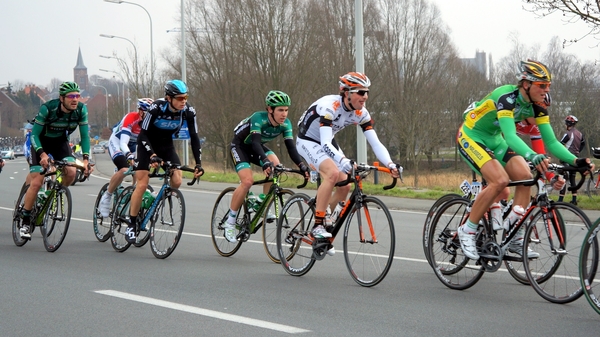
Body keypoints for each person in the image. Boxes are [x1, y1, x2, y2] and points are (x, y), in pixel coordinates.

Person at [456, 60, 593, 260]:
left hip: (494, 140)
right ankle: (467, 231)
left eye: (548, 86)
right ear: (526, 84)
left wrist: (576, 161)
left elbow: (552, 143)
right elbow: (511, 137)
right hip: (471, 136)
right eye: (542, 85)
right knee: (500, 181)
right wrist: (531, 155)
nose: (546, 90)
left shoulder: (537, 107)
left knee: (525, 176)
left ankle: (515, 238)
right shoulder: (506, 97)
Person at [296, 72, 401, 255]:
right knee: (333, 174)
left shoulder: (360, 112)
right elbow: (326, 143)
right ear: (346, 92)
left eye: (367, 92)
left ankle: (326, 218)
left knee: (345, 185)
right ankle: (318, 225)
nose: (365, 97)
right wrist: (343, 161)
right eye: (360, 92)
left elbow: (375, 143)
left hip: (325, 140)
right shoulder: (330, 107)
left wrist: (390, 164)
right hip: (307, 140)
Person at [222, 90, 310, 242]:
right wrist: (264, 161)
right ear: (270, 109)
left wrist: (302, 165)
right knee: (247, 181)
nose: (284, 114)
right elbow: (255, 142)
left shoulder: (285, 124)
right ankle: (230, 223)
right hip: (240, 147)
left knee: (277, 166)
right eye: (280, 110)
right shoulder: (259, 118)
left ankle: (261, 202)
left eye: (286, 110)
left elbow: (291, 148)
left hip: (257, 147)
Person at [125, 80, 204, 244]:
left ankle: (155, 201)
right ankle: (131, 224)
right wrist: (152, 155)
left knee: (177, 180)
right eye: (180, 98)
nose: (184, 101)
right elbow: (143, 135)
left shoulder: (188, 111)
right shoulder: (155, 108)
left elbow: (194, 137)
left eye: (186, 97)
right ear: (169, 98)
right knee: (142, 182)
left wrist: (198, 164)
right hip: (147, 144)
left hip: (166, 145)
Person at [19, 81, 92, 239]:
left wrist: (86, 160)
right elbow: (34, 135)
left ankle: (55, 193)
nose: (75, 99)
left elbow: (85, 136)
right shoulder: (48, 108)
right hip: (40, 142)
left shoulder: (81, 109)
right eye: (71, 96)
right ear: (61, 98)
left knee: (71, 172)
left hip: (60, 143)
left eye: (77, 96)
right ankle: (25, 220)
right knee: (37, 182)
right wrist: (42, 154)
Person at [98, 98, 154, 217]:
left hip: (133, 145)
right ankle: (107, 196)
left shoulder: (150, 124)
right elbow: (123, 143)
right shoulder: (131, 118)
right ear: (141, 111)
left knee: (138, 174)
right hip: (118, 142)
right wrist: (128, 156)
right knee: (124, 169)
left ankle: (132, 203)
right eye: (148, 114)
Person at [558, 115, 585, 205]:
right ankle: (574, 200)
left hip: (567, 157)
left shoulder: (568, 134)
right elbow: (583, 144)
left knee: (563, 177)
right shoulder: (580, 134)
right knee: (572, 178)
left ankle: (561, 200)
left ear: (568, 124)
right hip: (575, 158)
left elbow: (559, 145)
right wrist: (577, 152)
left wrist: (561, 154)